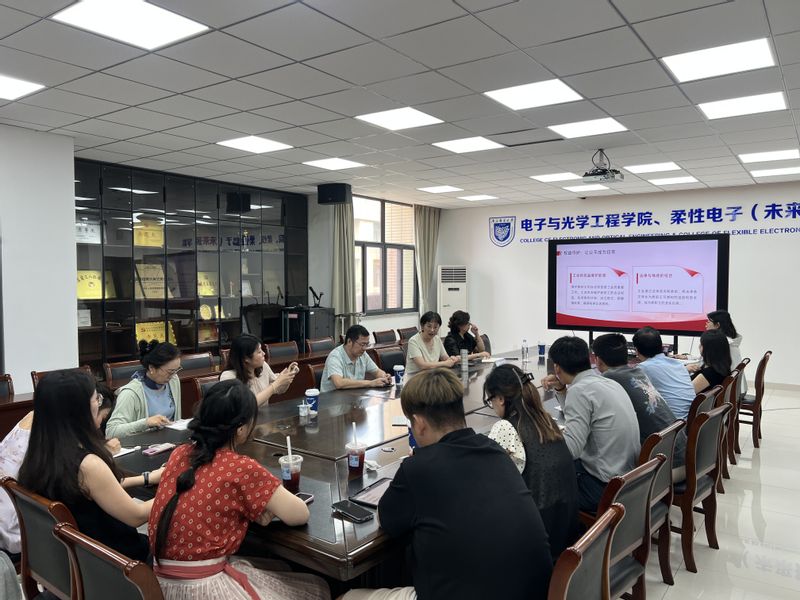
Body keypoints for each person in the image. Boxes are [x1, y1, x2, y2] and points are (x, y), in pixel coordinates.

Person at [343, 369, 552, 600]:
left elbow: (387, 519)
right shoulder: (495, 450)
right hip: (536, 592)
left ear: (419, 423)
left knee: (347, 597)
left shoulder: (418, 468)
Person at [149, 379, 330, 600]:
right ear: (241, 429)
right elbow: (299, 514)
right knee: (316, 588)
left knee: (280, 569)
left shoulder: (179, 454)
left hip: (160, 584)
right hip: (204, 589)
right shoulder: (240, 468)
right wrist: (257, 510)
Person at [18, 370, 159, 562]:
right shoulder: (88, 465)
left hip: (71, 560)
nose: (100, 403)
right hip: (116, 563)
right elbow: (137, 516)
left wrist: (147, 478)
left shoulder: (39, 454)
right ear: (79, 410)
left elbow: (99, 490)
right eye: (97, 399)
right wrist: (174, 488)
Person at [0, 382, 125, 557]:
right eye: (95, 400)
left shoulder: (36, 418)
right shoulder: (54, 436)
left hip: (15, 514)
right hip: (21, 528)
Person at [484, 364, 581, 561]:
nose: (492, 406)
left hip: (537, 543)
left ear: (500, 398)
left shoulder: (505, 427)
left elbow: (489, 485)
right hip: (566, 533)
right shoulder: (546, 419)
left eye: (491, 400)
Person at [542, 336, 640, 513]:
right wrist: (561, 389)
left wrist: (542, 436)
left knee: (541, 478)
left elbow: (571, 451)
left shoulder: (579, 391)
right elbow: (578, 412)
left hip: (604, 489)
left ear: (556, 367)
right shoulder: (607, 382)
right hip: (628, 479)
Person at [592, 334, 687, 476]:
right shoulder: (638, 371)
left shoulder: (609, 380)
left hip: (664, 469)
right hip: (683, 457)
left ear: (598, 360)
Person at [106, 340, 182, 438]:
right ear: (152, 368)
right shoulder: (130, 393)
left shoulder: (173, 381)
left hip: (171, 441)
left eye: (177, 370)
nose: (173, 375)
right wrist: (146, 423)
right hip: (146, 445)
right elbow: (111, 432)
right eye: (170, 372)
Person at [633, 327, 696, 420]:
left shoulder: (643, 368)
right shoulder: (678, 364)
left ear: (637, 350)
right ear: (661, 346)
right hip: (689, 420)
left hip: (672, 424)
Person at [220, 334, 298, 405]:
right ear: (246, 358)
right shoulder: (228, 376)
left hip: (264, 415)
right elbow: (246, 406)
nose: (264, 353)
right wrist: (275, 385)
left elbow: (280, 390)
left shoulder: (263, 366)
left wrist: (288, 376)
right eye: (259, 352)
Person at [320, 325, 391, 392]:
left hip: (353, 396)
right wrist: (370, 383)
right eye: (362, 344)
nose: (364, 348)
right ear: (349, 341)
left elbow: (377, 371)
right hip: (332, 399)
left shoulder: (363, 354)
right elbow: (339, 383)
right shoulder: (335, 356)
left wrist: (384, 377)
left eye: (367, 344)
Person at [704, 309, 747, 396]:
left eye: (708, 321)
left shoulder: (721, 343)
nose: (706, 324)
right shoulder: (730, 341)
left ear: (717, 325)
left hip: (728, 392)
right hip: (737, 388)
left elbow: (707, 363)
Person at [404, 311, 459, 378]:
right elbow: (422, 365)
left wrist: (452, 359)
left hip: (432, 377)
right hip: (415, 378)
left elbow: (445, 358)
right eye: (429, 326)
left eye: (435, 327)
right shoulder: (413, 341)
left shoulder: (437, 339)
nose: (432, 330)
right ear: (422, 326)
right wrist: (445, 363)